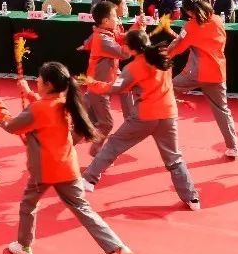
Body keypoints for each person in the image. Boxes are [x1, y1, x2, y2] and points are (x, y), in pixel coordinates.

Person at [0, 61, 141, 254]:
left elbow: (11, 125)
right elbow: (44, 109)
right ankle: (119, 247)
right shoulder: (65, 103)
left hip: (43, 169)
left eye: (40, 79)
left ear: (48, 84)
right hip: (67, 168)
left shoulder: (40, 108)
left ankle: (24, 245)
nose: (37, 81)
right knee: (84, 210)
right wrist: (29, 93)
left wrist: (0, 108)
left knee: (28, 204)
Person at [81, 30, 200, 210]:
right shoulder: (162, 56)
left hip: (145, 115)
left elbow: (116, 88)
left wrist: (93, 84)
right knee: (174, 159)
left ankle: (89, 180)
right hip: (168, 114)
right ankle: (192, 198)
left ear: (131, 49)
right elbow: (174, 47)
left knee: (113, 144)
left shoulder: (133, 67)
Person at [167, 0, 238, 157]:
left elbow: (177, 47)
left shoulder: (191, 26)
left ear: (188, 12)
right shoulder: (217, 20)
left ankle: (155, 123)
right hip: (217, 71)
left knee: (166, 91)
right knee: (222, 110)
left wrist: (162, 57)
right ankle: (233, 146)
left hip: (196, 72)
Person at [82, 0, 126, 152]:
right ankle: (96, 152)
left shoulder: (105, 34)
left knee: (84, 123)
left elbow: (121, 38)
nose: (117, 19)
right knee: (106, 124)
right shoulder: (103, 39)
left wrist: (137, 29)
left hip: (99, 84)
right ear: (106, 21)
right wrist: (139, 39)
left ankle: (63, 147)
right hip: (100, 88)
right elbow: (123, 53)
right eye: (115, 16)